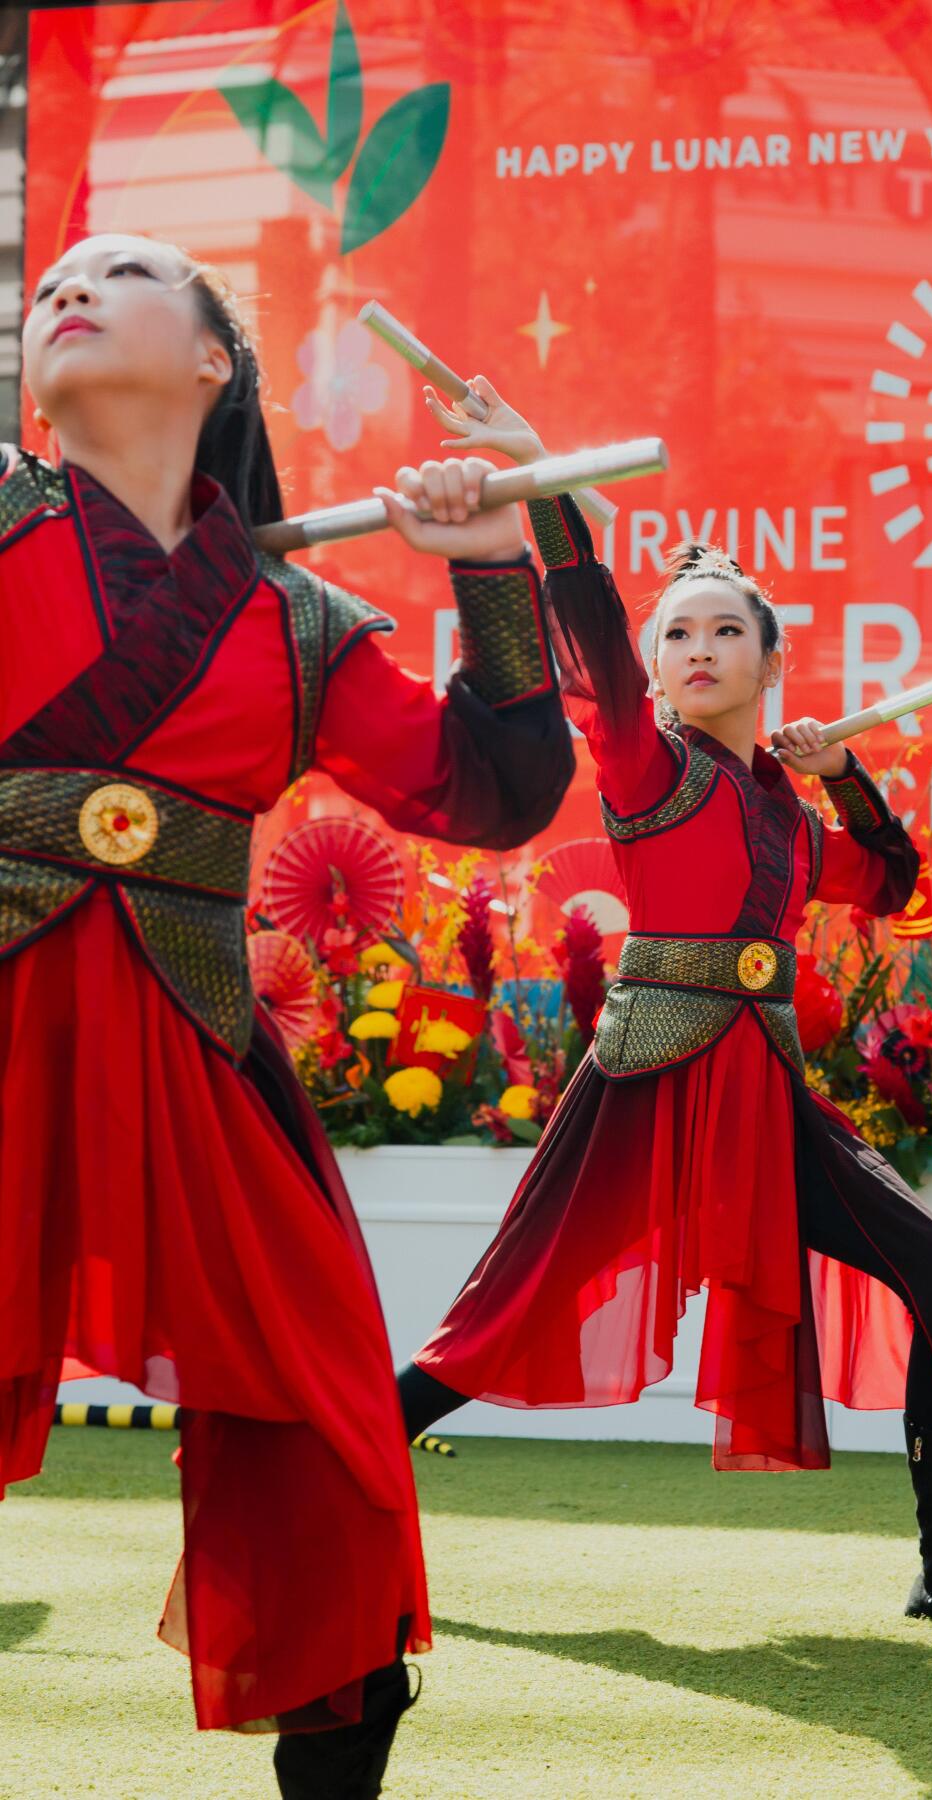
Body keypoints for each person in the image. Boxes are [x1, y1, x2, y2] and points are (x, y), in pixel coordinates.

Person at [0, 233, 574, 1798]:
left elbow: (501, 788)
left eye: (116, 273)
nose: (65, 287)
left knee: (332, 1452)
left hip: (188, 1050)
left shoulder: (303, 624)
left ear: (212, 363)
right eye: (48, 279)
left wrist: (492, 562)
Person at [396, 378, 932, 1639]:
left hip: (762, 1099)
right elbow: (587, 631)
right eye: (677, 637)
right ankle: (323, 1466)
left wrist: (846, 774)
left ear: (769, 655)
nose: (696, 651)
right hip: (647, 1089)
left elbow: (899, 884)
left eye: (721, 634)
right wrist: (543, 474)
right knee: (504, 1311)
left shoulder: (790, 822)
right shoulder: (652, 764)